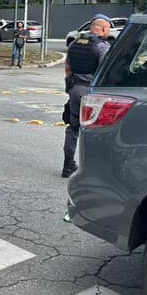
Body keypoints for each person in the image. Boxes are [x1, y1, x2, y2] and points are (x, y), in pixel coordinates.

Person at [61, 13, 112, 178]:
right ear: (103, 29)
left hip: (75, 90)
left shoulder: (75, 43)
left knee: (73, 128)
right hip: (92, 94)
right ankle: (93, 169)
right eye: (108, 29)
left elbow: (67, 67)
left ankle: (68, 165)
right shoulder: (102, 47)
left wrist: (70, 87)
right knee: (96, 130)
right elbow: (106, 72)